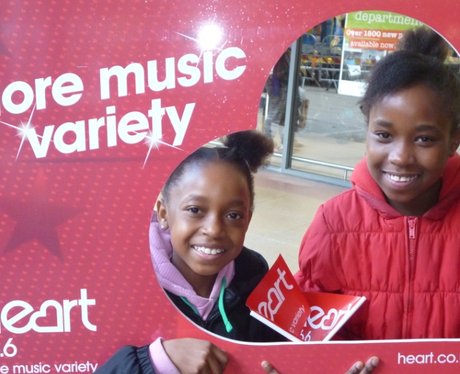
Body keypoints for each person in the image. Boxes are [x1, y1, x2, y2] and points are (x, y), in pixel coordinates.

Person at [295, 26, 460, 371]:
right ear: (366, 129)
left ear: (453, 140)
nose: (400, 157)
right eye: (384, 135)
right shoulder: (333, 222)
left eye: (425, 139)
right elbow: (308, 321)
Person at [96, 130, 284, 373]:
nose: (214, 229)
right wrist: (157, 361)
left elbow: (278, 351)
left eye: (233, 215)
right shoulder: (127, 285)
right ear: (164, 213)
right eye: (195, 210)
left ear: (247, 220)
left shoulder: (256, 277)